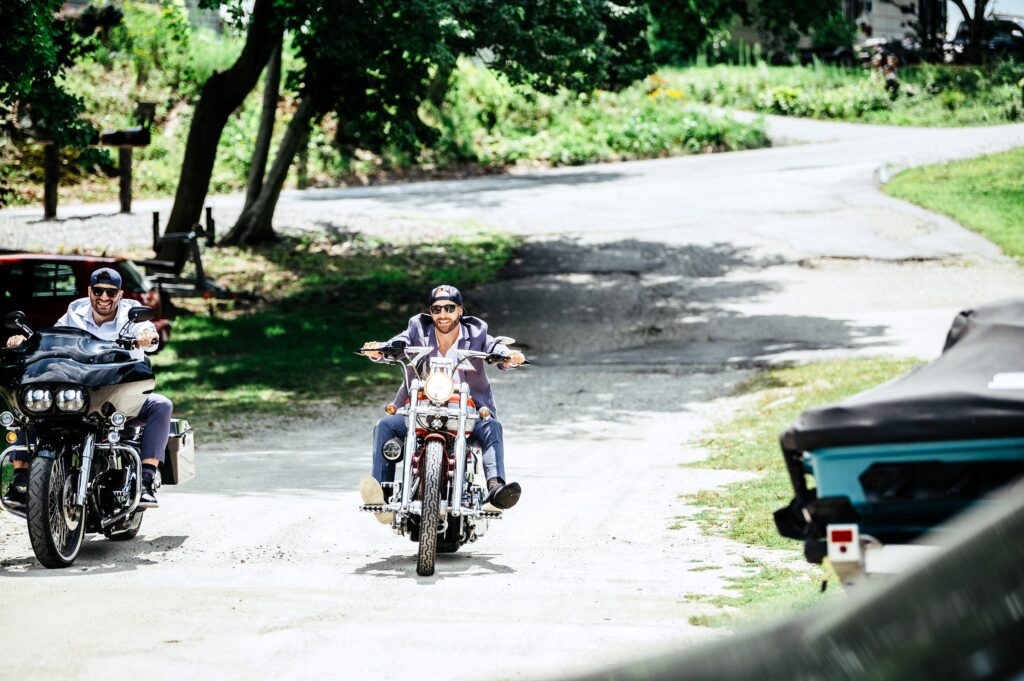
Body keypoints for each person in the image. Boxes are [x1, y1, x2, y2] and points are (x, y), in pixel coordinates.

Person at [2, 267, 172, 507]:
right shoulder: (76, 310)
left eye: (111, 292)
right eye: (99, 291)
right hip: (83, 394)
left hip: (118, 394)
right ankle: (20, 480)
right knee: (29, 407)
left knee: (161, 405)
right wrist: (26, 341)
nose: (104, 297)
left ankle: (146, 480)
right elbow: (55, 336)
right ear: (90, 291)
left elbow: (148, 333)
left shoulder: (130, 314)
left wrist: (146, 337)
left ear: (120, 294)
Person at [360, 284, 525, 521]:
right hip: (422, 408)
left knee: (492, 428)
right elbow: (398, 344)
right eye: (437, 309)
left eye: (449, 308)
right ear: (430, 312)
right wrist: (380, 349)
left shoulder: (476, 331)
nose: (443, 314)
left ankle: (495, 490)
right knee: (386, 425)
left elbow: (492, 346)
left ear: (460, 310)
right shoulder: (418, 327)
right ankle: (382, 493)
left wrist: (509, 356)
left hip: (467, 410)